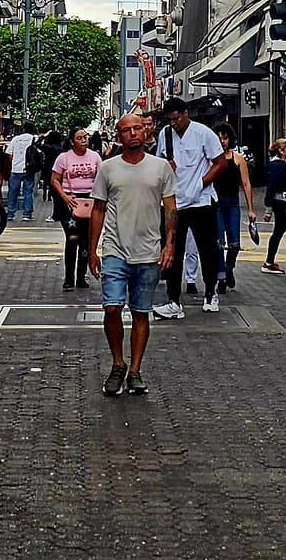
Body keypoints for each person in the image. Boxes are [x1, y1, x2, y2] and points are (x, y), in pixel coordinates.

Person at [87, 111, 176, 397]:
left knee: (140, 312)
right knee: (112, 308)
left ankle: (135, 370)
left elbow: (170, 209)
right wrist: (92, 250)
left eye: (138, 128)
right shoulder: (108, 168)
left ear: (146, 132)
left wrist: (170, 245)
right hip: (115, 249)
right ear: (119, 136)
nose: (134, 134)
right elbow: (98, 209)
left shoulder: (161, 168)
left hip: (148, 252)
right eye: (127, 130)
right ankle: (118, 363)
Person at [153, 99, 223, 317]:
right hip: (174, 202)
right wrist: (165, 166)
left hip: (201, 201)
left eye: (176, 118)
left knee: (207, 250)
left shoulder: (203, 133)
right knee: (172, 250)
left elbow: (220, 163)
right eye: (170, 120)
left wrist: (201, 183)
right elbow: (157, 163)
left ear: (185, 114)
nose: (173, 123)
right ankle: (173, 300)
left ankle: (210, 292)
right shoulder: (165, 135)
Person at [51, 123, 102, 291]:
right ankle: (68, 278)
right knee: (72, 238)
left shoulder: (95, 157)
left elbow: (102, 178)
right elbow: (54, 179)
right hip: (70, 202)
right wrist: (65, 196)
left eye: (85, 137)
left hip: (89, 201)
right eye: (79, 138)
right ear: (72, 142)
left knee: (85, 241)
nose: (84, 140)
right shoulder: (63, 158)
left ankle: (81, 277)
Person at [207, 124, 256, 294]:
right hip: (217, 204)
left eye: (225, 138)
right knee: (219, 243)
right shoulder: (211, 160)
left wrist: (251, 209)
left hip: (233, 204)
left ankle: (229, 267)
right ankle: (221, 277)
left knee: (234, 243)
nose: (222, 141)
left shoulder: (238, 159)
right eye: (219, 138)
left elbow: (246, 183)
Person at [261, 137, 286, 271]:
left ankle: (270, 260)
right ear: (281, 151)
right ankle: (269, 261)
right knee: (279, 229)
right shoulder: (277, 165)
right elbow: (271, 187)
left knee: (280, 229)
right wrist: (268, 209)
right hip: (280, 202)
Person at [6, 123, 37, 221]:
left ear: (23, 129)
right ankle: (27, 213)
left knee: (13, 191)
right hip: (29, 169)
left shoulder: (15, 139)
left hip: (16, 169)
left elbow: (9, 154)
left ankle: (10, 213)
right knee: (28, 191)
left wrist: (14, 162)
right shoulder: (34, 139)